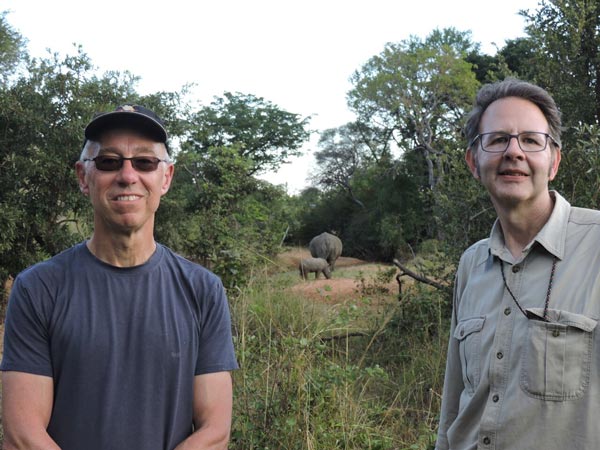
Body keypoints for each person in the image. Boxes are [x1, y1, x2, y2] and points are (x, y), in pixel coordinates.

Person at [1, 105, 239, 449]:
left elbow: (214, 431)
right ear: (84, 177)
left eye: (144, 162)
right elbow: (23, 436)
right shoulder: (37, 289)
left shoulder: (203, 289)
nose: (127, 176)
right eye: (109, 162)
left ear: (166, 178)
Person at [436, 78, 600, 449]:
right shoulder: (471, 263)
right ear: (473, 162)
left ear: (554, 161)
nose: (513, 151)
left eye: (530, 140)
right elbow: (454, 399)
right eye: (496, 139)